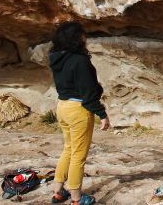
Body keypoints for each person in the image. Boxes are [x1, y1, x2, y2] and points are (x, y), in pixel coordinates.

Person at [48, 21, 111, 205]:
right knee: (78, 155)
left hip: (62, 106)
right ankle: (76, 197)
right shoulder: (79, 60)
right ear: (76, 38)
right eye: (82, 35)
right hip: (78, 110)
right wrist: (102, 114)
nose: (85, 38)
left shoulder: (56, 57)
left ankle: (58, 192)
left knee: (68, 148)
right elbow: (88, 92)